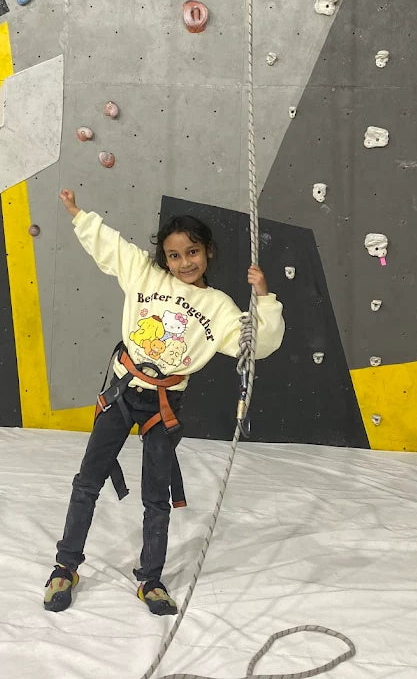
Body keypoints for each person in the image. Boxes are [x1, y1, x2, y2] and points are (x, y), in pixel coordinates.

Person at [43, 189, 285, 616]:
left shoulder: (220, 309)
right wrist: (79, 214)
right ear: (163, 258)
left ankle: (150, 579)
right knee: (87, 483)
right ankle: (66, 566)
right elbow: (110, 246)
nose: (184, 263)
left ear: (207, 252)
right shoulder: (144, 276)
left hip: (163, 406)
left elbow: (259, 344)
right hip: (121, 394)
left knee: (156, 497)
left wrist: (263, 296)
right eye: (174, 255)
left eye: (192, 252)